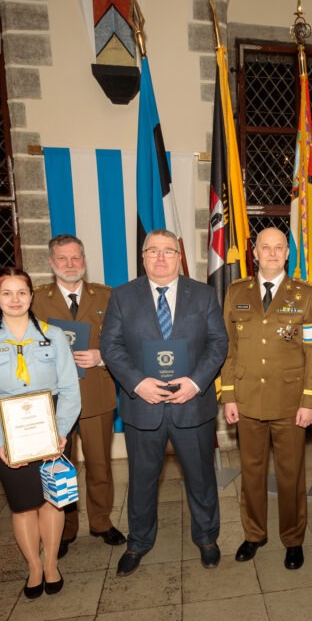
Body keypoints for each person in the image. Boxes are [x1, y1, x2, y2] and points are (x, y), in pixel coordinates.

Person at [100, 229, 228, 576]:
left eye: (168, 251)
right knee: (142, 480)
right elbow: (110, 345)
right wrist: (137, 383)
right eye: (152, 251)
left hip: (192, 405)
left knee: (201, 477)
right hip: (143, 407)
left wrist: (196, 382)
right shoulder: (122, 296)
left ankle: (207, 538)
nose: (160, 257)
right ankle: (138, 542)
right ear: (143, 257)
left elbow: (218, 343)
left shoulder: (203, 295)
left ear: (178, 257)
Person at [0, 268, 79, 599]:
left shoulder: (54, 336)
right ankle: (33, 567)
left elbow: (70, 389)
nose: (15, 299)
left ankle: (51, 564)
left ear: (31, 296)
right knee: (23, 505)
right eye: (7, 293)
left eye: (22, 292)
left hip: (51, 426)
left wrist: (60, 432)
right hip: (5, 429)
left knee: (52, 499)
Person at [221, 226, 312, 571]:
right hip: (247, 400)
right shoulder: (236, 292)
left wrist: (309, 401)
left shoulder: (305, 294)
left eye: (279, 247)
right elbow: (228, 348)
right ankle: (254, 534)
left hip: (289, 402)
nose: (273, 253)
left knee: (290, 475)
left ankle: (293, 539)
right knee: (251, 473)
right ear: (255, 253)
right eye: (266, 247)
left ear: (287, 253)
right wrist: (229, 395)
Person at [31, 235, 125, 558]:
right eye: (62, 258)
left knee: (100, 465)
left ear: (84, 260)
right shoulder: (35, 300)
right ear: (51, 262)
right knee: (60, 465)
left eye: (76, 258)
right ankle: (65, 529)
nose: (70, 264)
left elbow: (123, 340)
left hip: (95, 394)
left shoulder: (107, 296)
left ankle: (101, 521)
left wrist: (102, 356)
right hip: (54, 400)